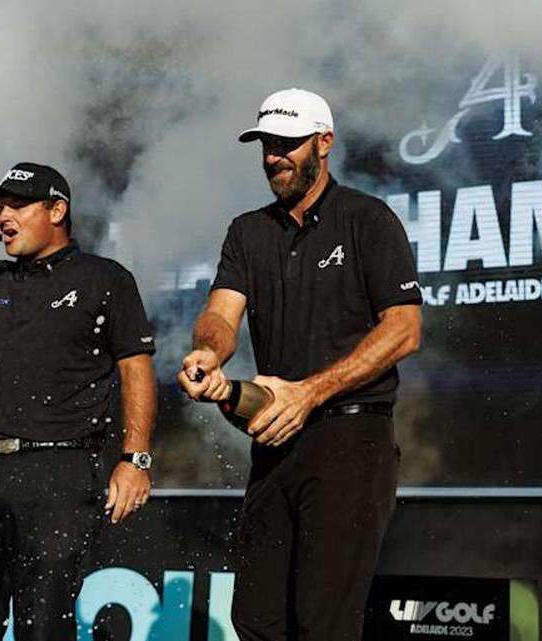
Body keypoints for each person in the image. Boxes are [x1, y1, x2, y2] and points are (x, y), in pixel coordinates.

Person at [178, 88, 422, 641]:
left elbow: (404, 329)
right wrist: (207, 355)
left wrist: (310, 392)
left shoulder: (367, 218)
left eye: (287, 143)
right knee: (256, 619)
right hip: (274, 442)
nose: (273, 156)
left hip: (352, 438)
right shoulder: (248, 231)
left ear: (324, 142)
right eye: (266, 144)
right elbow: (221, 315)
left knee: (323, 623)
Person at [0, 162, 158, 641]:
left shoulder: (105, 278)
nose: (3, 216)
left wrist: (135, 457)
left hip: (57, 472)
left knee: (43, 627)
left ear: (57, 209)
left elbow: (136, 368)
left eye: (17, 205)